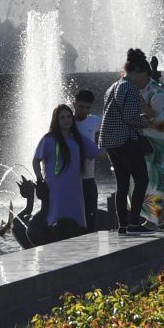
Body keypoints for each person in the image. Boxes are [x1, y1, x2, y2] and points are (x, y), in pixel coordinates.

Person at [98, 50, 153, 233]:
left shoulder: (113, 86)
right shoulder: (129, 87)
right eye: (144, 76)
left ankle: (123, 225)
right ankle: (134, 223)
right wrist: (146, 121)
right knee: (142, 180)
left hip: (110, 142)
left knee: (122, 184)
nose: (143, 81)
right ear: (137, 71)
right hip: (125, 141)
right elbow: (130, 117)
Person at [32, 103, 97, 238]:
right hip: (56, 189)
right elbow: (36, 160)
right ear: (56, 120)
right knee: (55, 223)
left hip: (75, 189)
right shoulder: (49, 139)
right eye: (62, 117)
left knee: (77, 224)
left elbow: (97, 151)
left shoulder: (78, 139)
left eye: (68, 116)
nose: (66, 120)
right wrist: (39, 180)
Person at [142, 58, 164, 225]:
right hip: (148, 140)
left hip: (158, 141)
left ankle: (156, 217)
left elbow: (162, 120)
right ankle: (158, 215)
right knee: (148, 180)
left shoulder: (159, 91)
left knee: (154, 180)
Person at [73, 88, 103, 228]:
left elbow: (111, 128)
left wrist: (102, 148)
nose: (83, 110)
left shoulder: (94, 121)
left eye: (87, 108)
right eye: (80, 107)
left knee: (91, 218)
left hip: (88, 179)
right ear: (74, 104)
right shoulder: (67, 121)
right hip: (70, 180)